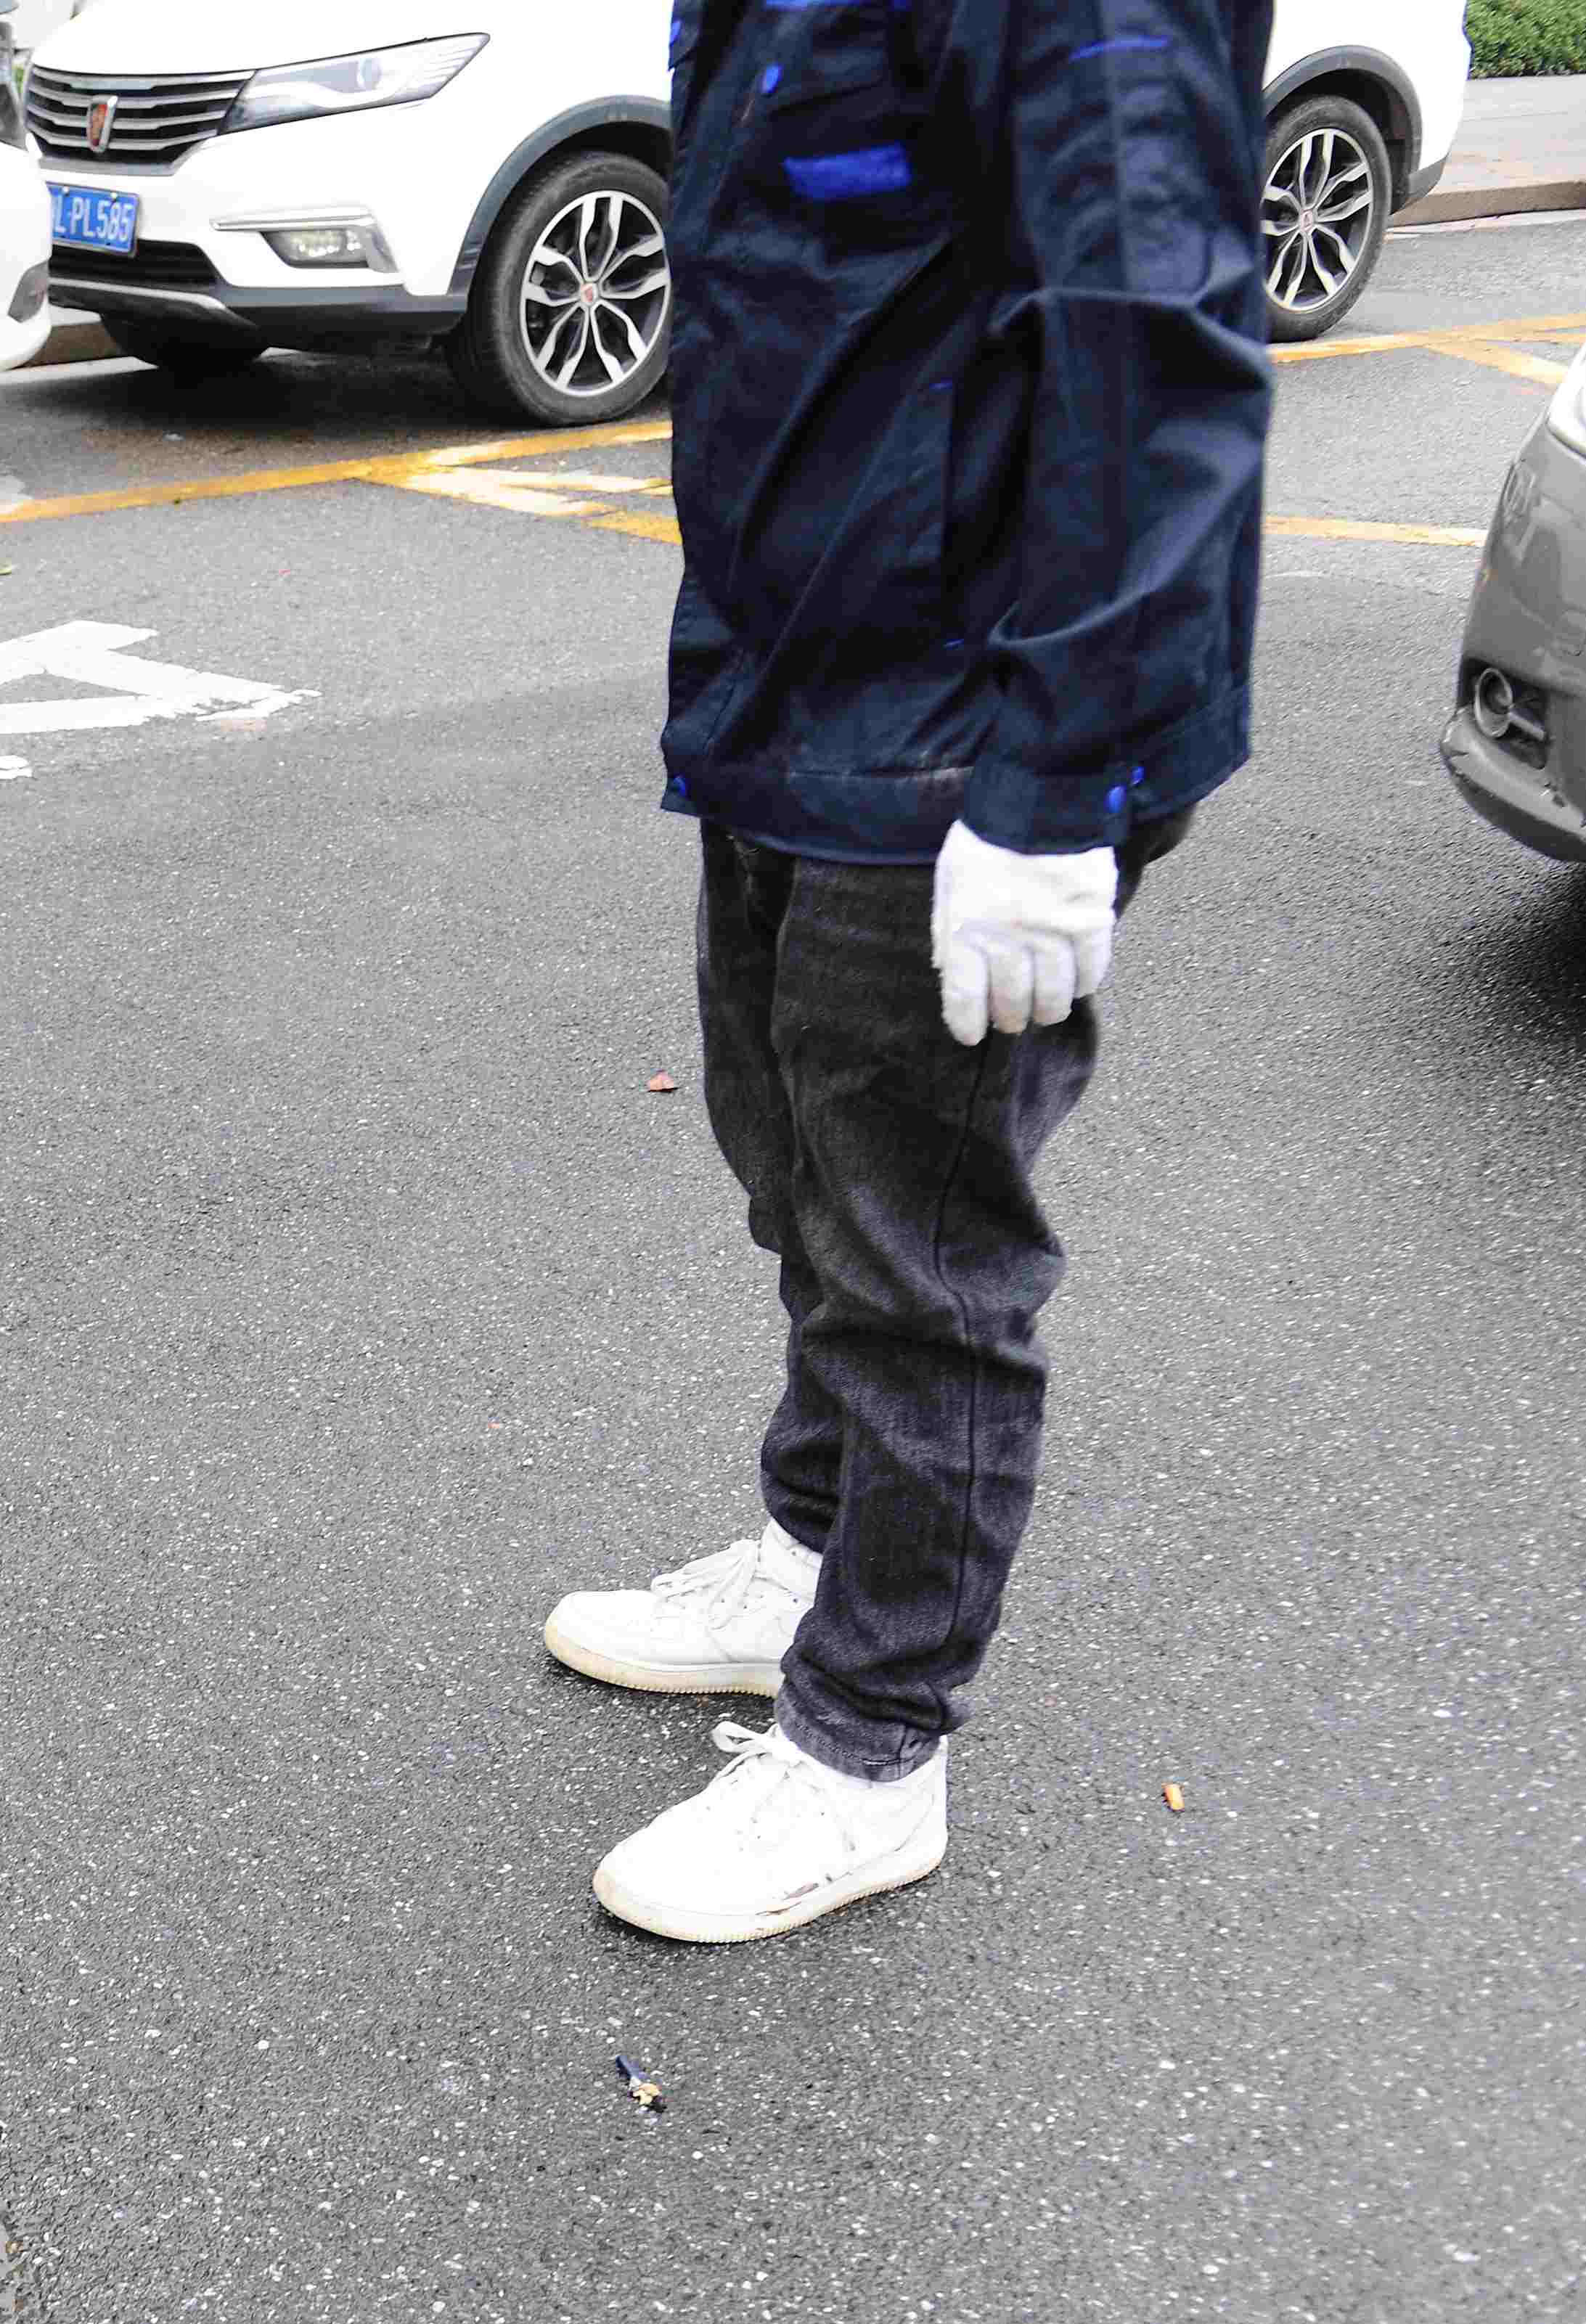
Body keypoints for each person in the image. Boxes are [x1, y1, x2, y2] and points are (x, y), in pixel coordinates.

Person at [552, 0, 1273, 1939]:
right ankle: (813, 1547)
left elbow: (1152, 333)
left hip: (976, 714)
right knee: (794, 1154)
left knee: (921, 1254)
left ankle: (873, 1748)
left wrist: (1061, 792)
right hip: (801, 673)